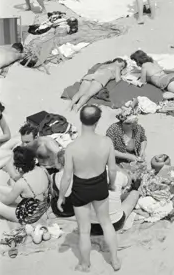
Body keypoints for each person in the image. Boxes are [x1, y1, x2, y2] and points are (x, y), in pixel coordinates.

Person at [58, 105, 120, 272]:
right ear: (97, 121)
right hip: (99, 184)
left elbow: (67, 176)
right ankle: (114, 260)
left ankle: (85, 264)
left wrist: (61, 196)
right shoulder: (106, 142)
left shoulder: (71, 147)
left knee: (84, 231)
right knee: (106, 223)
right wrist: (111, 184)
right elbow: (112, 169)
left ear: (80, 120)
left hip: (81, 188)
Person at [0, 146, 51, 223]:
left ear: (19, 168)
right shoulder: (42, 169)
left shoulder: (22, 183)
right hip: (42, 205)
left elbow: (6, 201)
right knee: (13, 191)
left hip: (30, 216)